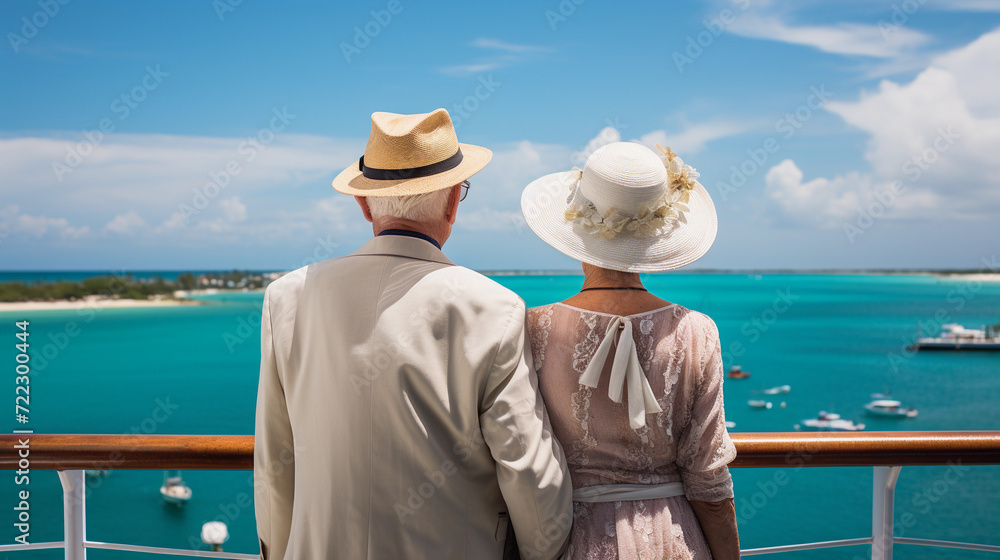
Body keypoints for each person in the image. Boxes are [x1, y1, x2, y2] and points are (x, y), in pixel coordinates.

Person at [253, 108, 573, 559]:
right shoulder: (493, 307)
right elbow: (529, 472)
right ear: (452, 203)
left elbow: (274, 460)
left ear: (363, 204)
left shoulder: (287, 296)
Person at [518, 142, 740, 559]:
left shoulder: (533, 327)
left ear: (578, 226)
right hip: (671, 536)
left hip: (565, 534)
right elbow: (708, 479)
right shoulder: (696, 331)